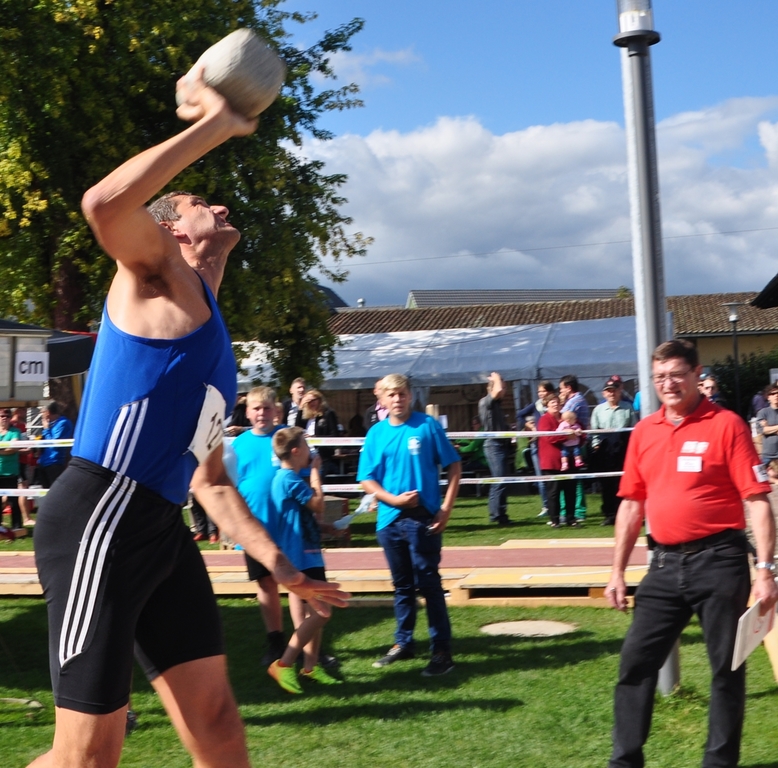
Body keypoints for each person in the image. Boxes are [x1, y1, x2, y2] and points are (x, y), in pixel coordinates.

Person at [30, 71, 348, 768]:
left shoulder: (212, 341)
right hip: (101, 518)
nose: (222, 205)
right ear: (172, 231)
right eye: (203, 202)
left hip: (160, 529)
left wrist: (280, 567)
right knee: (87, 755)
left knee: (218, 724)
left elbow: (210, 484)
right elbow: (103, 201)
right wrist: (217, 124)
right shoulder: (153, 277)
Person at [606, 339, 778, 768]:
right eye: (660, 376)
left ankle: (718, 763)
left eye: (677, 374)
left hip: (719, 562)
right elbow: (630, 505)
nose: (669, 383)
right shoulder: (645, 431)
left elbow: (757, 500)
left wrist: (765, 570)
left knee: (726, 670)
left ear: (696, 375)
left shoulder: (727, 425)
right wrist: (616, 572)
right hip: (663, 566)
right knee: (635, 664)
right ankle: (624, 761)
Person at [358, 373, 461, 676]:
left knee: (429, 584)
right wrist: (392, 499)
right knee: (402, 586)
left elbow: (454, 465)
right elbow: (366, 478)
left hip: (423, 519)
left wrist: (446, 508)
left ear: (410, 395)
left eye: (402, 393)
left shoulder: (426, 426)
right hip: (389, 521)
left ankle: (442, 650)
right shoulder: (376, 434)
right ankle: (403, 643)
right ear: (382, 400)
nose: (397, 399)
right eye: (391, 395)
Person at [266, 427, 343, 693]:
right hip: (300, 558)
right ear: (296, 451)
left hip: (306, 554)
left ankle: (310, 667)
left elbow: (298, 518)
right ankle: (284, 663)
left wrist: (326, 529)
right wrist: (315, 472)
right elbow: (318, 504)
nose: (311, 452)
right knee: (323, 611)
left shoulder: (287, 479)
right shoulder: (289, 479)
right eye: (307, 447)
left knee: (315, 613)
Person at [232, 386, 285, 665]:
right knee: (266, 584)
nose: (262, 413)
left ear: (276, 410)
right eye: (256, 408)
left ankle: (312, 644)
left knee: (300, 583)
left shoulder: (288, 437)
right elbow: (228, 486)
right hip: (255, 528)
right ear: (248, 412)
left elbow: (309, 470)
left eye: (266, 408)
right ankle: (276, 641)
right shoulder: (238, 444)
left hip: (289, 526)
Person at [590, 377, 637, 526]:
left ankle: (623, 514)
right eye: (608, 391)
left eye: (614, 390)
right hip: (604, 449)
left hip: (622, 447)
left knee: (622, 482)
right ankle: (609, 514)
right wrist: (596, 445)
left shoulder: (627, 407)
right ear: (604, 394)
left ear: (619, 391)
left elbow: (634, 428)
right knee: (606, 483)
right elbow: (594, 431)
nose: (612, 394)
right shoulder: (598, 409)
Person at [537, 395, 578, 528]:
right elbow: (549, 438)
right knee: (553, 493)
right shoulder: (544, 420)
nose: (555, 404)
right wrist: (567, 435)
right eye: (552, 402)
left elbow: (579, 430)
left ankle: (571, 519)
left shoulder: (566, 416)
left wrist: (577, 436)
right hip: (551, 462)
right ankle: (555, 520)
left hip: (569, 461)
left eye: (557, 402)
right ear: (546, 405)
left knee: (570, 491)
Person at [478, 371, 512, 525]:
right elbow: (497, 390)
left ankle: (499, 513)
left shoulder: (496, 405)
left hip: (501, 444)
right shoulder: (486, 402)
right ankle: (497, 515)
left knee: (501, 481)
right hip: (493, 445)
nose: (504, 390)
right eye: (503, 387)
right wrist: (496, 376)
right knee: (499, 481)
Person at [517, 381, 556, 515]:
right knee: (540, 477)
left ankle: (556, 507)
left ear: (550, 392)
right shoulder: (536, 405)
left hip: (552, 445)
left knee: (554, 478)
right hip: (536, 444)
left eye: (543, 391)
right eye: (539, 392)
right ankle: (546, 506)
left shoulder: (555, 405)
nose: (540, 394)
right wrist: (529, 425)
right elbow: (520, 414)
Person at [559, 375, 588, 522]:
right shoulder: (579, 400)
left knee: (574, 480)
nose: (560, 392)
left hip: (574, 445)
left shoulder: (574, 402)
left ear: (568, 388)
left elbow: (561, 417)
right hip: (573, 443)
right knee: (571, 479)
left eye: (562, 388)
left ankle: (578, 511)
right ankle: (571, 510)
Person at [294, 388, 339, 479]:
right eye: (308, 401)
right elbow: (297, 429)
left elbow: (335, 435)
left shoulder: (328, 414)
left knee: (318, 479)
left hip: (322, 454)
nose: (311, 403)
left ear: (319, 400)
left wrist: (315, 438)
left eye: (313, 400)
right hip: (306, 454)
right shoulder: (305, 416)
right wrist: (300, 408)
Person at [37, 401, 73, 488]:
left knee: (55, 491)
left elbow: (54, 444)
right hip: (43, 463)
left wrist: (46, 429)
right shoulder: (50, 424)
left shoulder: (63, 423)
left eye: (42, 412)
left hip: (54, 463)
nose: (41, 415)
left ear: (48, 412)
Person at [0, 408, 23, 531]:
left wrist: (2, 451)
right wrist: (4, 450)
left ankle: (17, 526)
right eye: (2, 415)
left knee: (13, 501)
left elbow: (13, 448)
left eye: (7, 416)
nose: (4, 418)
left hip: (10, 472)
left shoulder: (15, 431)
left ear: (10, 418)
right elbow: (7, 449)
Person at [756, 383, 778, 464]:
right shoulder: (763, 413)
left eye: (777, 393)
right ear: (768, 397)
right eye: (773, 394)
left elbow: (767, 429)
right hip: (768, 456)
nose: (776, 395)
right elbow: (763, 430)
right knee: (763, 477)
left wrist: (769, 428)